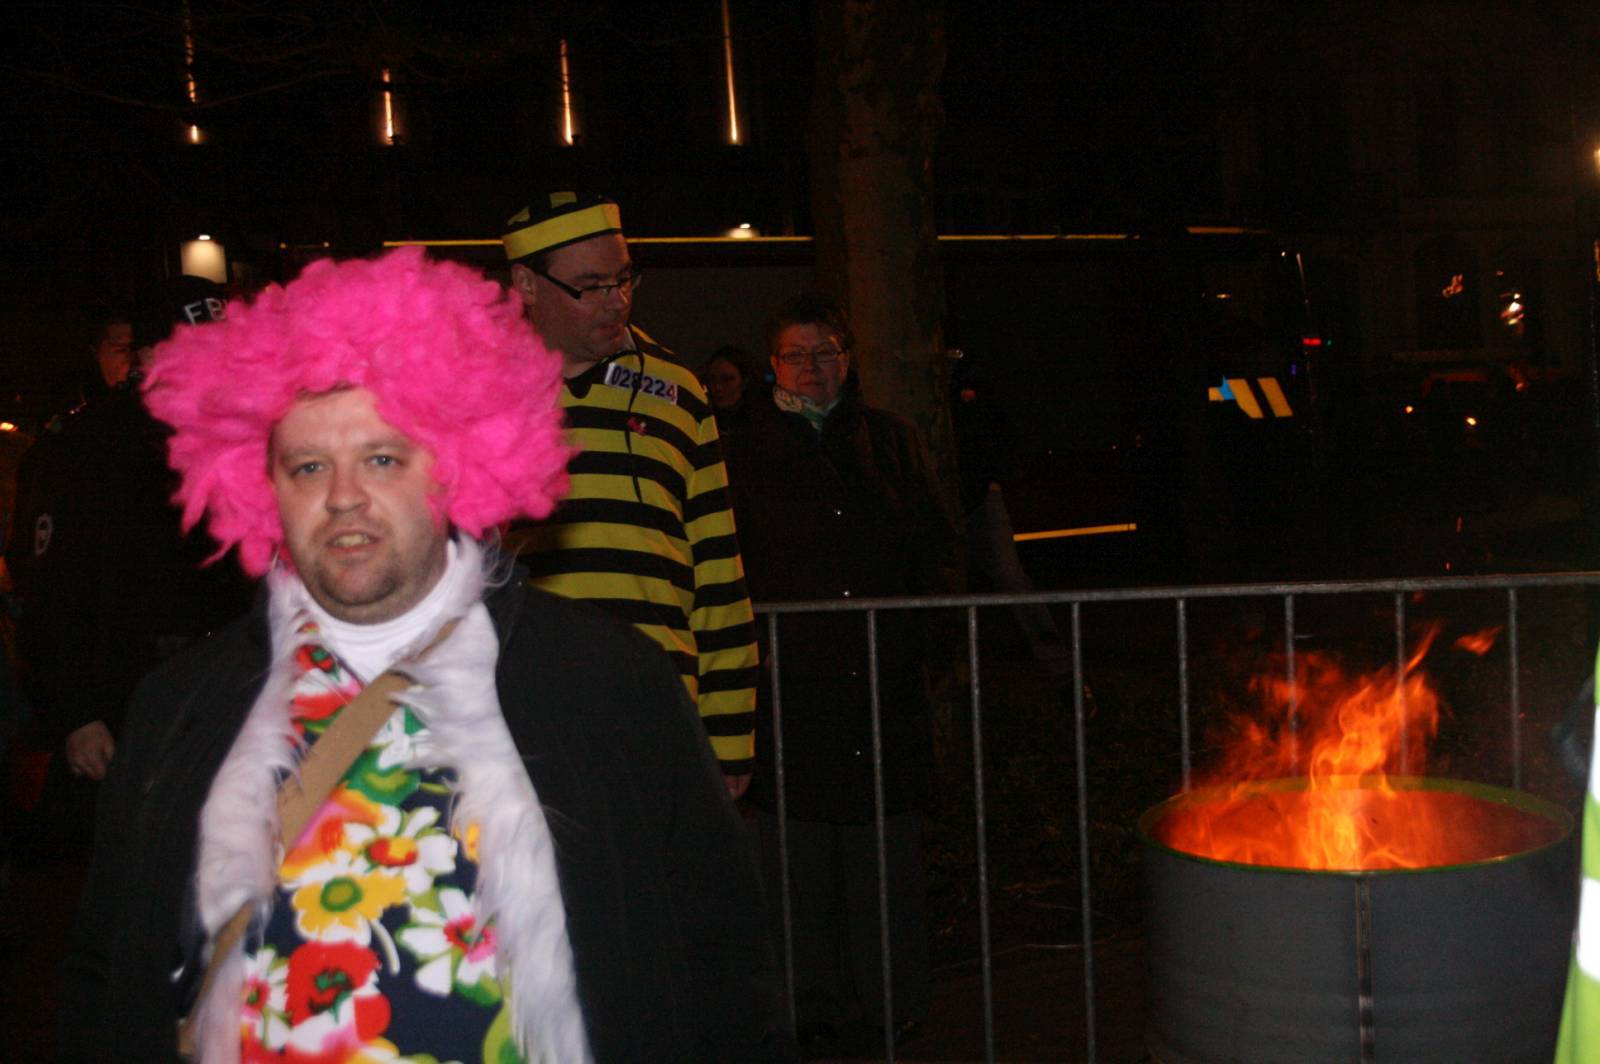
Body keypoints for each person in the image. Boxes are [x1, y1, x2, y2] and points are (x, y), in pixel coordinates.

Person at [61, 248, 787, 1062]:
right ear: (264, 488)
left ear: (453, 467)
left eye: (382, 458)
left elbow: (724, 962)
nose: (343, 497)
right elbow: (106, 973)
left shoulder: (606, 684)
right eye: (308, 466)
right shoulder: (181, 708)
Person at [723, 293, 957, 1054]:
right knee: (797, 855)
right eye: (797, 354)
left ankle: (894, 1001)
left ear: (848, 359)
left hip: (882, 678)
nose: (813, 367)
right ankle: (811, 1004)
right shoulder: (739, 448)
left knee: (884, 853)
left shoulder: (890, 440)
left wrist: (927, 643)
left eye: (825, 351)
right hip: (789, 681)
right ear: (772, 365)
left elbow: (933, 546)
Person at [502, 191, 760, 796]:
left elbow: (718, 573)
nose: (616, 300)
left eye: (623, 279)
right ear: (526, 285)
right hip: (520, 720)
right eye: (590, 286)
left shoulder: (679, 391)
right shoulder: (469, 390)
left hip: (656, 712)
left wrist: (728, 739)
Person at [703, 344, 760, 439]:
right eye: (712, 379)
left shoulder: (761, 424)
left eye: (727, 379)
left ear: (745, 381)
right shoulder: (705, 420)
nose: (718, 387)